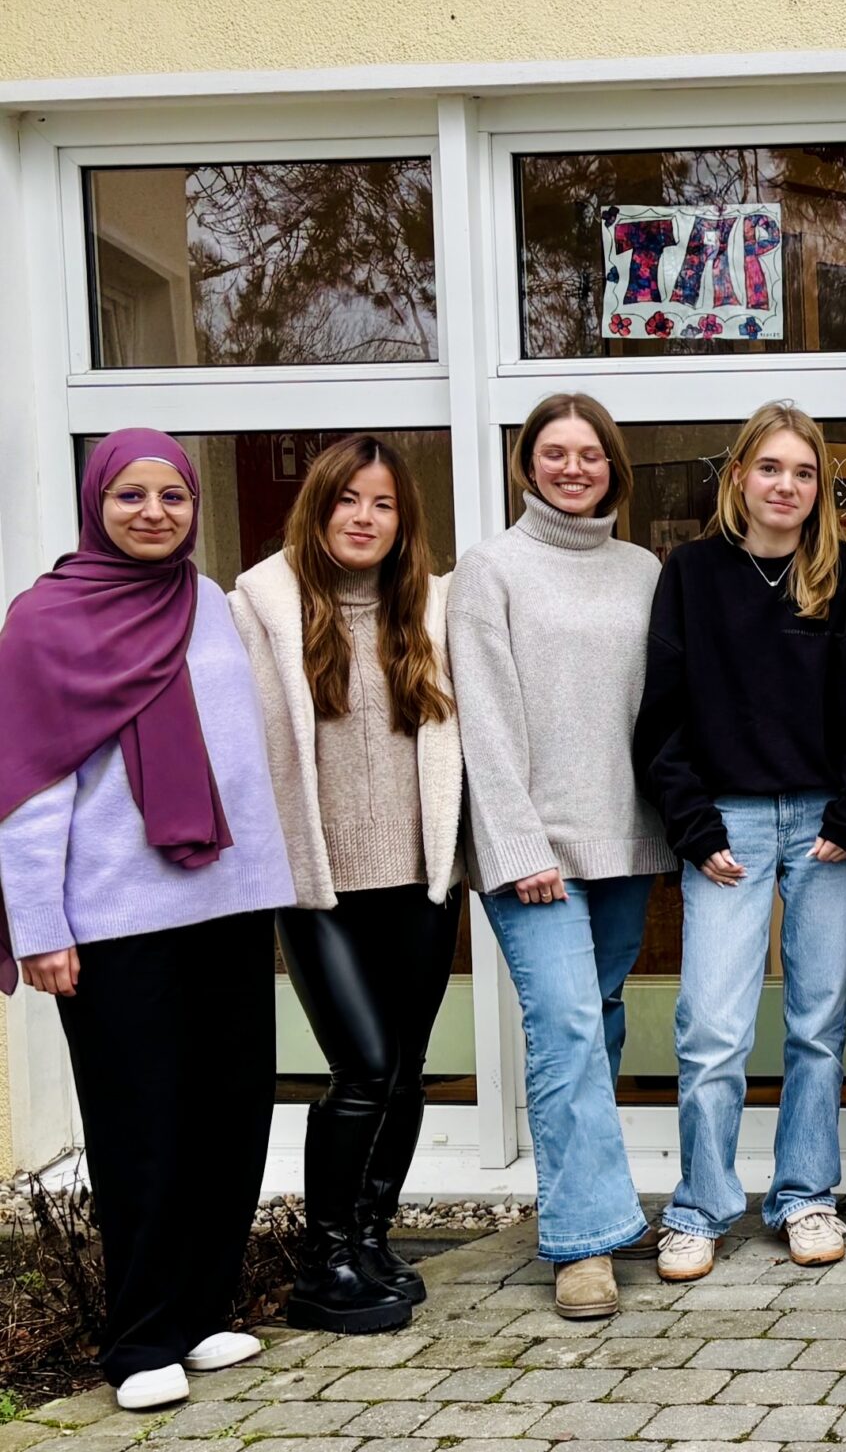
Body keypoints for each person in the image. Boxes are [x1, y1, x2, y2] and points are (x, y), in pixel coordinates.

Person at [0, 432, 295, 1412]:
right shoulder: (43, 623)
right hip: (116, 922)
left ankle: (202, 1312)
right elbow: (28, 788)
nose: (154, 512)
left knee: (228, 1111)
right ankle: (137, 1342)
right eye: (132, 495)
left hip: (226, 902)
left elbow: (244, 760)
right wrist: (38, 925)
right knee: (142, 1130)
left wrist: (272, 885)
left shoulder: (207, 604)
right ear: (98, 502)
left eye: (173, 495)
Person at [636, 403, 846, 1282]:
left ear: (822, 489)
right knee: (713, 1026)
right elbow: (660, 716)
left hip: (826, 823)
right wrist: (693, 824)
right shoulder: (692, 574)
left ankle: (806, 1194)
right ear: (739, 474)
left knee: (818, 1022)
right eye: (771, 468)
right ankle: (701, 1206)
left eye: (804, 473)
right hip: (727, 826)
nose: (787, 486)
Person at [233, 435, 463, 1336]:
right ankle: (322, 1256)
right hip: (317, 882)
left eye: (383, 505)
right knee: (362, 1068)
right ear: (318, 509)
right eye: (347, 502)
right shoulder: (264, 609)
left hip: (417, 878)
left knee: (404, 1072)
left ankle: (368, 1237)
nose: (364, 519)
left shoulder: (432, 611)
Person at [449, 394, 672, 1323]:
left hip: (623, 836)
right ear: (527, 465)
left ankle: (600, 1200)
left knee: (602, 1017)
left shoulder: (645, 569)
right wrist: (514, 843)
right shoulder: (490, 569)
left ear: (612, 466)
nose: (572, 468)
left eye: (589, 454)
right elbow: (485, 721)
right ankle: (582, 1241)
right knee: (571, 1027)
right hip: (533, 847)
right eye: (554, 453)